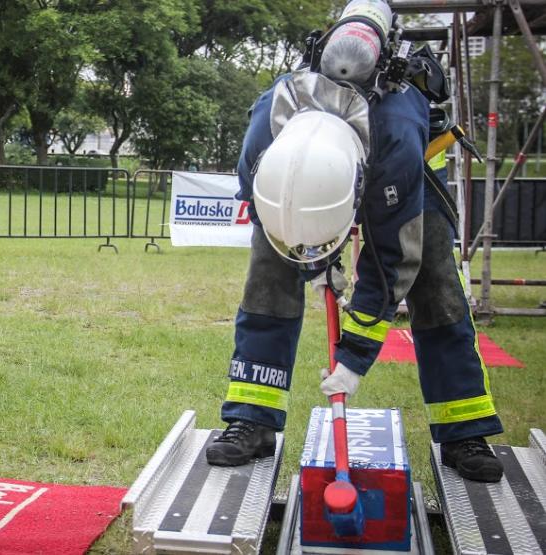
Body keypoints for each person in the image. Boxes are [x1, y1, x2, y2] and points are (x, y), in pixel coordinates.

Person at [205, 61, 505, 483]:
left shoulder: (397, 135)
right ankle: (251, 419)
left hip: (409, 165)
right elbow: (264, 213)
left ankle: (465, 431)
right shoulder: (266, 133)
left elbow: (391, 263)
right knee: (268, 277)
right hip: (301, 178)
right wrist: (316, 262)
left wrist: (352, 361)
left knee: (436, 287)